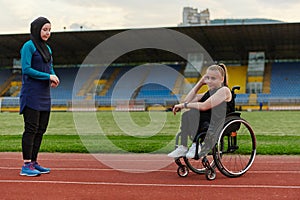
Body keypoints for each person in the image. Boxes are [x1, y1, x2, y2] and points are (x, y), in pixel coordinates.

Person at [19, 17, 60, 176]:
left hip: (44, 94)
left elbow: (50, 67)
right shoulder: (28, 46)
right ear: (36, 29)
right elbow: (26, 69)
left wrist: (53, 76)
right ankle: (26, 164)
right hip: (31, 94)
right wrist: (47, 77)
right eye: (44, 29)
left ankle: (34, 162)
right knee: (31, 128)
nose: (47, 33)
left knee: (41, 129)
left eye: (49, 30)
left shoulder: (48, 49)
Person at [168, 63, 232, 159]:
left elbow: (204, 106)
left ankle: (196, 144)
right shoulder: (207, 93)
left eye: (213, 79)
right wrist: (200, 83)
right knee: (186, 115)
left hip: (218, 121)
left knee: (194, 112)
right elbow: (187, 100)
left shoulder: (224, 90)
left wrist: (183, 106)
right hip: (206, 120)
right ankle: (183, 146)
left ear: (222, 79)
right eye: (208, 78)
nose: (209, 81)